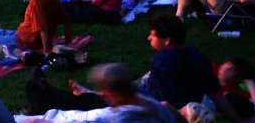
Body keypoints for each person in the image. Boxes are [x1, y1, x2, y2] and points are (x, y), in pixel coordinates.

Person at [22, 62, 177, 122]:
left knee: (38, 94)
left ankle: (38, 91)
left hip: (59, 116)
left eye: (103, 89)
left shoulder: (117, 117)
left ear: (111, 92)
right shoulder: (153, 105)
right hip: (70, 114)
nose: (102, 93)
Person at [141, 15, 219, 110]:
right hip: (194, 103)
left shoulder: (162, 61)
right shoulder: (196, 54)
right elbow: (215, 91)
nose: (149, 38)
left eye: (152, 35)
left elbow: (156, 97)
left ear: (167, 41)